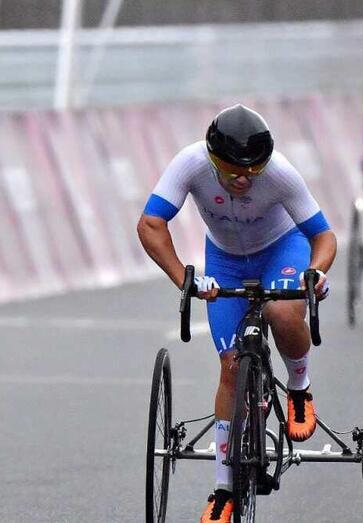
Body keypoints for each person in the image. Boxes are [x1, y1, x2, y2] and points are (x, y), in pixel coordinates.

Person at [137, 104, 336, 523]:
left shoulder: (280, 172)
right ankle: (224, 490)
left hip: (282, 249)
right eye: (234, 172)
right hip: (225, 259)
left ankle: (299, 387)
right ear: (213, 160)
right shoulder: (190, 164)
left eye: (254, 171)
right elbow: (150, 224)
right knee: (230, 368)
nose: (245, 179)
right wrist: (184, 279)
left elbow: (323, 235)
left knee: (283, 314)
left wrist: (314, 271)